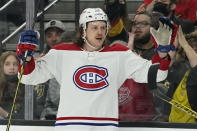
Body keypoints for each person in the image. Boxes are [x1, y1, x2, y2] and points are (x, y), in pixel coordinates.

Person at [16, 8, 175, 131]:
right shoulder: (62, 52)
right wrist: (25, 56)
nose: (100, 32)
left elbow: (156, 75)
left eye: (103, 27)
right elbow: (28, 77)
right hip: (70, 127)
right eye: (94, 27)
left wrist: (161, 51)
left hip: (105, 127)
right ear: (83, 30)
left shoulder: (119, 54)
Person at [163, 27, 197, 123]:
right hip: (174, 124)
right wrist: (174, 45)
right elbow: (165, 66)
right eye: (192, 46)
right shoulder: (180, 68)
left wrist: (185, 44)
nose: (194, 48)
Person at [39, 20, 66, 120]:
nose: (54, 39)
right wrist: (42, 115)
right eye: (49, 36)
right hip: (47, 116)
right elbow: (38, 95)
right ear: (45, 39)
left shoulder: (74, 58)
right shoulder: (41, 60)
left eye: (58, 34)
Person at [0, 51, 24, 119]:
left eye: (15, 64)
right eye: (7, 64)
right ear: (2, 67)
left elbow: (27, 120)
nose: (12, 67)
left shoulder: (28, 89)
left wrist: (5, 114)